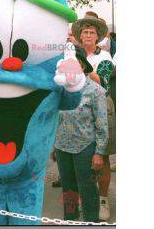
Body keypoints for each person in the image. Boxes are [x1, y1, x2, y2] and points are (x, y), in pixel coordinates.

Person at [55, 46, 108, 222]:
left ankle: (90, 221)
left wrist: (99, 153)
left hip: (85, 148)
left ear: (83, 67)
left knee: (88, 189)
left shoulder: (95, 91)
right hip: (62, 147)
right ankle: (70, 219)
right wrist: (53, 146)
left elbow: (102, 125)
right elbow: (56, 120)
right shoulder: (60, 90)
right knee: (68, 190)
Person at [72, 14, 115, 220]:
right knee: (81, 155)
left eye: (92, 33)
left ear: (97, 37)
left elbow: (103, 83)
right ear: (79, 36)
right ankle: (86, 200)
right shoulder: (71, 54)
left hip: (100, 108)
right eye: (84, 32)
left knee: (102, 154)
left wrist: (82, 67)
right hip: (76, 109)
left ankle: (103, 199)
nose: (88, 35)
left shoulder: (104, 57)